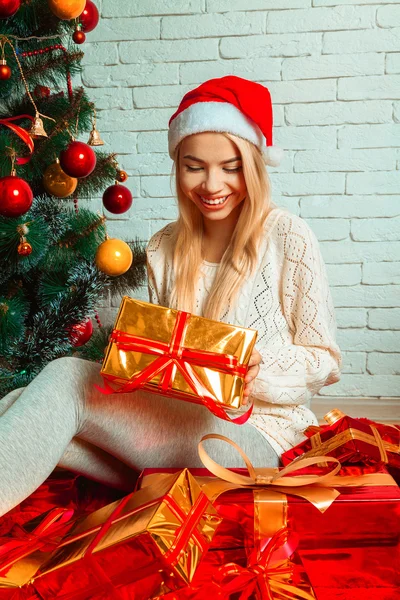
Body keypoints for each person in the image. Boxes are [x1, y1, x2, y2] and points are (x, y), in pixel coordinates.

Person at [0, 76, 342, 517]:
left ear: (254, 166)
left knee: (67, 380)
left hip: (259, 441)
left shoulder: (287, 236)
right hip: (178, 428)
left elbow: (326, 359)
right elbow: (166, 371)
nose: (211, 184)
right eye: (194, 166)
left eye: (231, 166)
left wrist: (260, 367)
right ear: (177, 164)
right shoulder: (164, 246)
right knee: (17, 402)